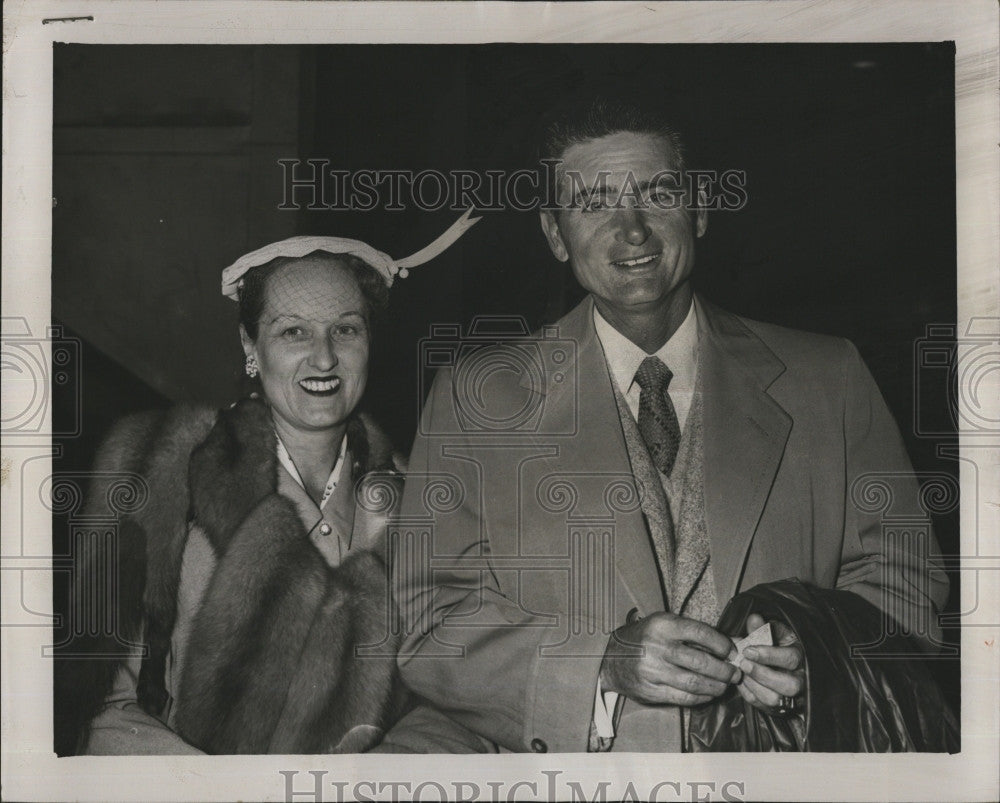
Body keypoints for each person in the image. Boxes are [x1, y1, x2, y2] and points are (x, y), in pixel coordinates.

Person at [394, 98, 954, 753]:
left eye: (658, 193)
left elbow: (909, 587)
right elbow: (432, 625)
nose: (632, 231)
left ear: (701, 208)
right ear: (554, 233)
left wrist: (817, 650)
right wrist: (602, 663)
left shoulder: (829, 377)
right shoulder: (474, 398)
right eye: (595, 202)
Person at [56, 222, 490, 755]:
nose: (324, 358)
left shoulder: (418, 493)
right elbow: (97, 707)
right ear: (250, 345)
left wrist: (382, 779)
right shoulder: (162, 476)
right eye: (294, 332)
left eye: (346, 330)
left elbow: (458, 695)